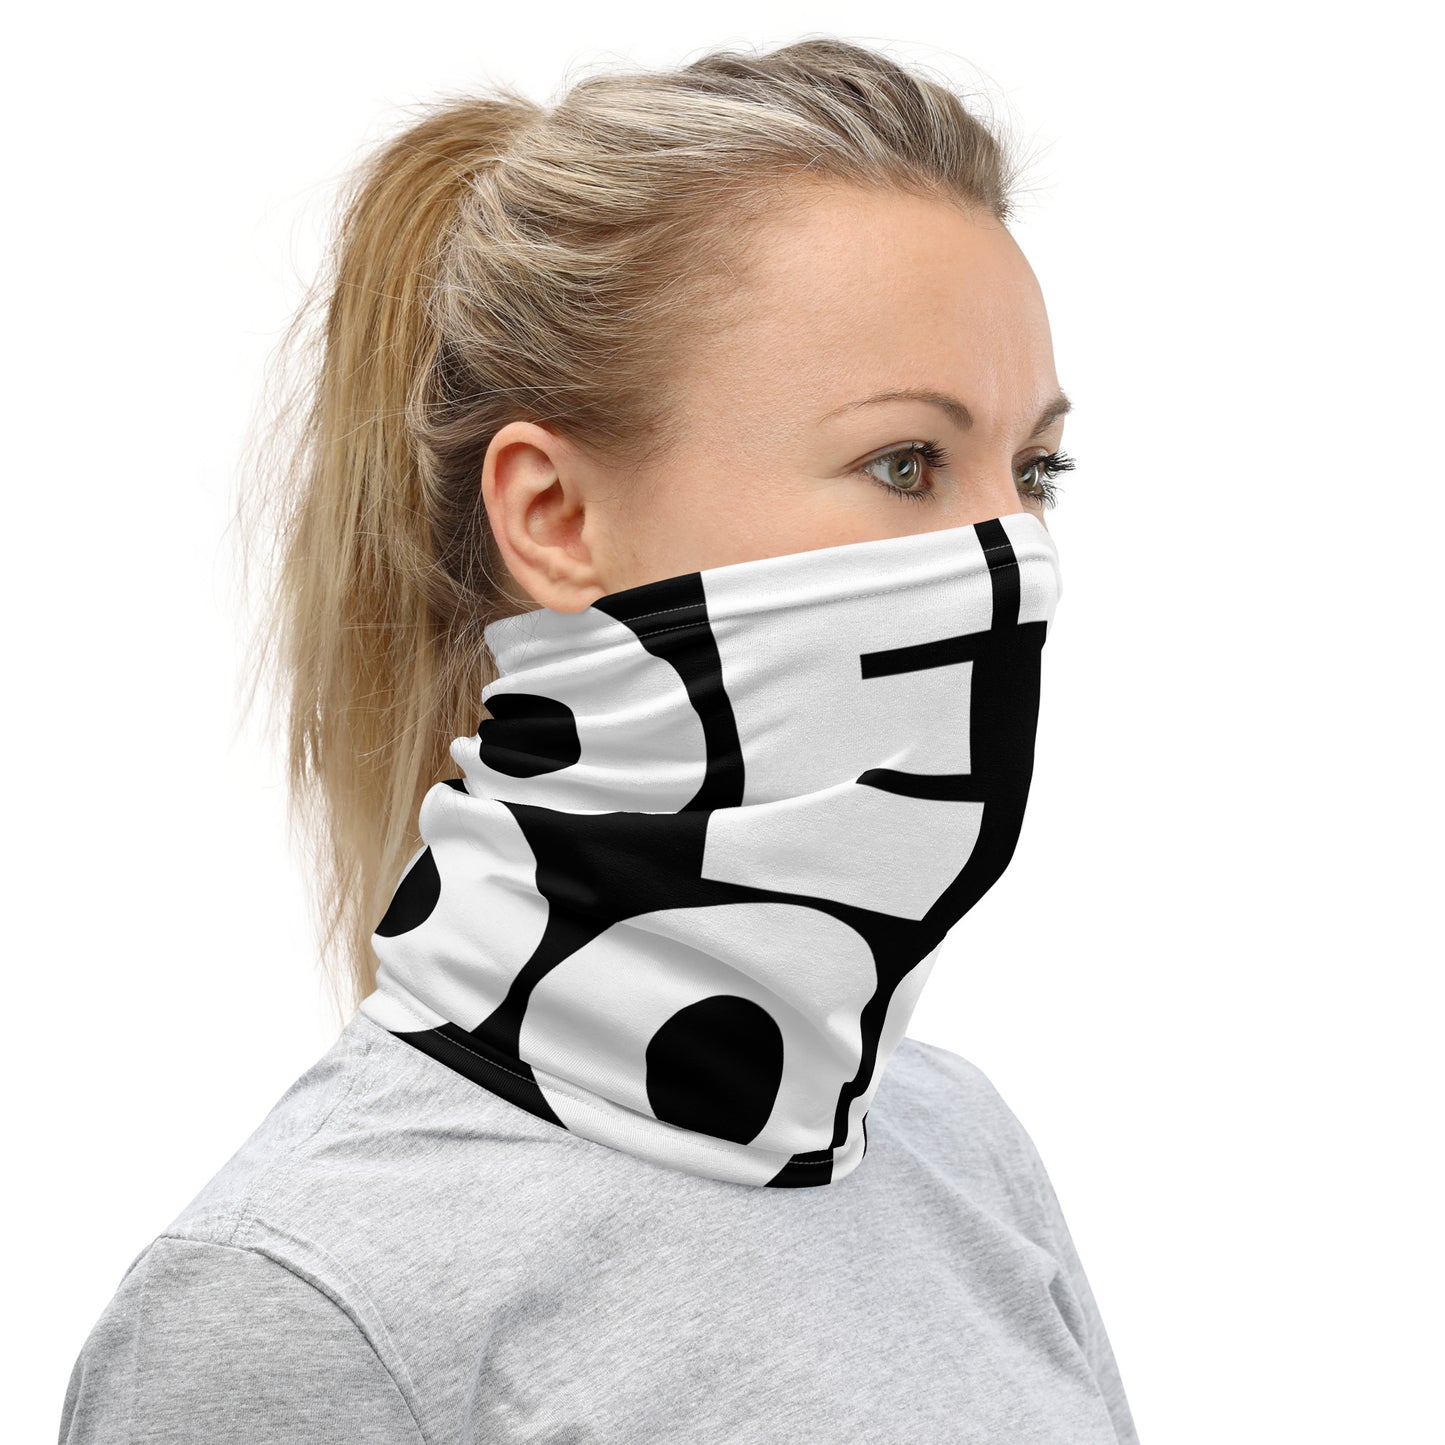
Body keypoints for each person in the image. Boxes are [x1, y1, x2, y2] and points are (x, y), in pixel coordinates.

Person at [59, 36, 1139, 1443]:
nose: (1012, 560)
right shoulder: (297, 1303)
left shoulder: (951, 1147)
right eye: (904, 463)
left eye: (1036, 469)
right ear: (555, 516)